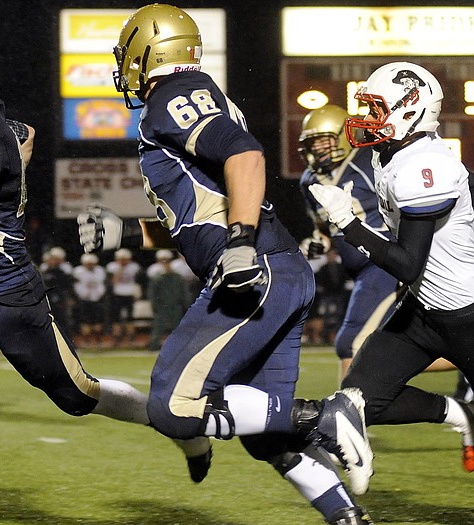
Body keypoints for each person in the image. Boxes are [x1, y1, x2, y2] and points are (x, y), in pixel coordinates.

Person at [0, 43, 212, 518]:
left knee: (78, 396)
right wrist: (16, 168)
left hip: (8, 292)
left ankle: (181, 428)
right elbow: (25, 133)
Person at [78, 5, 374, 524]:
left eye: (128, 53)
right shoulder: (184, 97)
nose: (122, 65)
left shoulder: (171, 95)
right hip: (277, 270)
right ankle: (348, 517)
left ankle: (326, 415)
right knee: (268, 437)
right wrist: (129, 231)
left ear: (150, 50)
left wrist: (239, 243)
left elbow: (245, 155)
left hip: (253, 273)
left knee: (170, 408)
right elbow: (197, 220)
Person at [308, 61, 474, 477]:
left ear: (410, 110)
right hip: (424, 310)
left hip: (468, 313)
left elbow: (406, 261)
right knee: (361, 399)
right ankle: (463, 413)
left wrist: (349, 226)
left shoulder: (426, 166)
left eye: (376, 108)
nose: (366, 119)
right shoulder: (395, 154)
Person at [298, 104, 402, 379]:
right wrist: (318, 241)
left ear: (341, 136)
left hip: (383, 263)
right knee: (404, 345)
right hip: (360, 270)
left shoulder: (367, 161)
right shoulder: (310, 179)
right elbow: (323, 227)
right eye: (312, 143)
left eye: (324, 140)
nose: (318, 148)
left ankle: (347, 415)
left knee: (350, 343)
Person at [146, 249, 190, 351]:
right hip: (162, 305)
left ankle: (180, 347)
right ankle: (154, 346)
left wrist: (186, 305)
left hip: (175, 305)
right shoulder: (157, 276)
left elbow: (184, 292)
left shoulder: (177, 276)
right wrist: (155, 306)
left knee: (178, 326)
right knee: (158, 327)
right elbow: (153, 293)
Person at [105, 248, 141, 346]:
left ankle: (131, 339)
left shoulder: (134, 267)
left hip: (130, 294)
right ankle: (116, 339)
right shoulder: (112, 267)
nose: (123, 261)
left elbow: (138, 281)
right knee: (116, 318)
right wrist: (121, 269)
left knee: (130, 318)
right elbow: (113, 281)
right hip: (117, 294)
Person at [72, 253, 107, 347]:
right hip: (84, 299)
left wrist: (100, 294)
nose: (90, 265)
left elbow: (102, 284)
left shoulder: (100, 271)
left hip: (97, 299)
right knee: (85, 321)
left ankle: (97, 340)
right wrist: (82, 294)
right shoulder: (78, 271)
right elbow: (76, 286)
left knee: (98, 321)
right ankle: (86, 341)